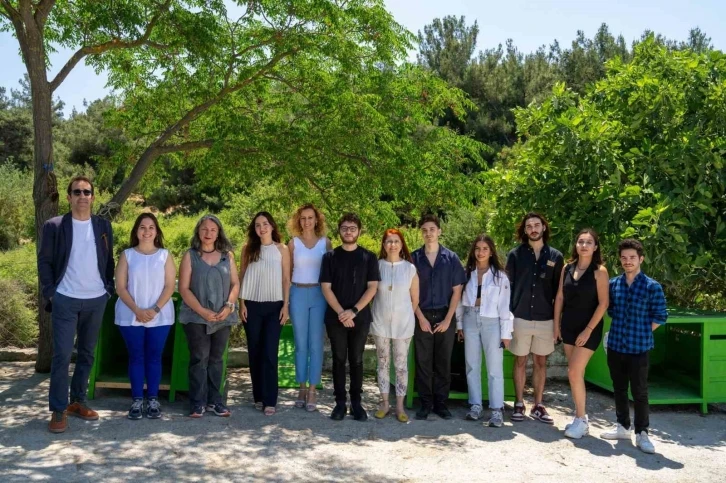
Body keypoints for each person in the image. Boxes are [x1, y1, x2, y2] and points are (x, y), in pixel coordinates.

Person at [38, 176, 115, 434]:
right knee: (61, 355)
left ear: (93, 197)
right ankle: (58, 409)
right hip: (65, 299)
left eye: (87, 192)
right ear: (69, 196)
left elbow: (108, 260)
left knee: (87, 353)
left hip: (96, 299)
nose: (82, 196)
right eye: (77, 191)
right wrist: (51, 293)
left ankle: (77, 401)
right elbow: (44, 261)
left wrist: (108, 289)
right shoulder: (55, 225)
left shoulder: (103, 225)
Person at [600, 238, 667, 454]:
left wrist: (642, 331)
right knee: (619, 388)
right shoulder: (613, 284)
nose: (627, 261)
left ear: (641, 259)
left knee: (640, 392)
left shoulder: (652, 286)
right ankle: (622, 426)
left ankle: (642, 433)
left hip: (639, 348)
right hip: (616, 346)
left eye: (632, 257)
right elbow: (611, 311)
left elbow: (660, 316)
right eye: (624, 258)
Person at [114, 213, 176, 420]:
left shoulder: (165, 255)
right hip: (130, 315)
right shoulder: (127, 255)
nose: (147, 231)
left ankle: (153, 399)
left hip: (160, 315)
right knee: (136, 356)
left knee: (154, 356)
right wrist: (137, 310)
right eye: (142, 227)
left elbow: (169, 286)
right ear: (136, 231)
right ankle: (137, 400)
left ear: (157, 231)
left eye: (151, 227)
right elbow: (120, 287)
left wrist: (154, 310)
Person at [320, 213, 380, 421]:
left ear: (359, 231)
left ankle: (356, 403)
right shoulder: (329, 257)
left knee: (356, 359)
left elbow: (372, 287)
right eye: (344, 228)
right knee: (338, 359)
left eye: (352, 228)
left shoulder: (369, 257)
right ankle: (339, 404)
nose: (348, 232)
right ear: (339, 231)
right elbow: (326, 288)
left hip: (360, 317)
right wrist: (341, 313)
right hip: (335, 317)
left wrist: (353, 311)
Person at [178, 215, 240, 418]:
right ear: (198, 231)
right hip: (196, 316)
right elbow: (183, 288)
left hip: (223, 316)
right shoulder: (190, 256)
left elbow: (235, 284)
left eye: (213, 230)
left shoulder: (227, 256)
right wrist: (202, 311)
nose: (208, 233)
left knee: (216, 359)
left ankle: (216, 402)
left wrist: (229, 306)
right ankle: (197, 403)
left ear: (218, 233)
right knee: (199, 358)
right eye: (205, 229)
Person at [505, 212, 564, 424]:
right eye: (529, 226)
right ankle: (519, 403)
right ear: (525, 230)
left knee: (541, 362)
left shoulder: (556, 257)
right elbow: (507, 288)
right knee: (520, 360)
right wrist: (507, 319)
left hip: (545, 319)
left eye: (537, 225)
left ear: (544, 227)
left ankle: (538, 405)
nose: (533, 229)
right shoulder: (515, 255)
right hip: (520, 317)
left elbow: (559, 292)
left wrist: (557, 323)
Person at [553, 229, 609, 438]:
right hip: (568, 326)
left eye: (589, 242)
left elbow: (603, 304)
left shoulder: (600, 271)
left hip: (589, 329)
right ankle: (580, 418)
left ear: (595, 247)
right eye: (581, 242)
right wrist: (556, 325)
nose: (584, 245)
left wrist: (588, 330)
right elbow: (560, 297)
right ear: (576, 245)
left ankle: (581, 419)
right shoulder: (567, 268)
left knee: (574, 373)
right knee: (576, 373)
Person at [411, 214, 466, 420]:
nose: (428, 233)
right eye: (424, 230)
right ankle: (425, 404)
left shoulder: (451, 258)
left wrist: (448, 319)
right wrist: (420, 317)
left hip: (445, 315)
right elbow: (409, 292)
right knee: (423, 362)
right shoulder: (414, 259)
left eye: (432, 229)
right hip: (422, 315)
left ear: (439, 231)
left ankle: (441, 404)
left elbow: (457, 291)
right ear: (421, 233)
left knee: (443, 362)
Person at [456, 234, 512, 427]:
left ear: (491, 252)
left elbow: (504, 306)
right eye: (478, 248)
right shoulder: (466, 273)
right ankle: (475, 405)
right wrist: (459, 325)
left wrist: (506, 333)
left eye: (485, 249)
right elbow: (459, 302)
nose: (481, 252)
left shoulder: (500, 276)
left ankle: (496, 410)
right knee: (472, 365)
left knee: (494, 367)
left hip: (492, 321)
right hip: (470, 319)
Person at [239, 212, 291, 416]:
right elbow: (242, 275)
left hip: (274, 306)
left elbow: (286, 279)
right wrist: (241, 303)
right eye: (258, 225)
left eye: (265, 224)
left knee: (270, 352)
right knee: (255, 351)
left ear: (272, 226)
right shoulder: (248, 248)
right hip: (251, 305)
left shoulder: (282, 249)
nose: (262, 228)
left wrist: (285, 306)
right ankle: (259, 397)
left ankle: (270, 400)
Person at [287, 204, 332, 412]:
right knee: (300, 343)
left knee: (316, 343)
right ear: (299, 220)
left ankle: (313, 389)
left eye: (310, 217)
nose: (307, 221)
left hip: (319, 295)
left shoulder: (326, 243)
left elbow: (331, 273)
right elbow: (287, 274)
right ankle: (302, 388)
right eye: (303, 218)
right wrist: (285, 300)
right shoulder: (293, 243)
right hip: (297, 293)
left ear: (316, 220)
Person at [370, 229, 419, 423]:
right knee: (382, 363)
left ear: (401, 244)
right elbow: (370, 292)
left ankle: (399, 405)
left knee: (401, 365)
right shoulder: (377, 266)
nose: (392, 245)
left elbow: (415, 299)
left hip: (403, 324)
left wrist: (405, 315)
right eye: (389, 241)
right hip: (380, 322)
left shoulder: (409, 269)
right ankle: (384, 403)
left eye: (396, 241)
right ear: (383, 245)